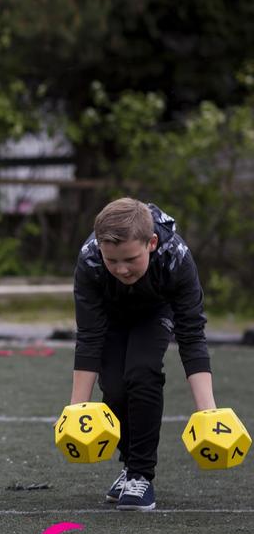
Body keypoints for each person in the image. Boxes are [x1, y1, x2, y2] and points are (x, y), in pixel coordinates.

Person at [70, 198, 217, 511]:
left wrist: (209, 415)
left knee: (142, 372)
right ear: (99, 247)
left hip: (154, 313)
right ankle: (128, 468)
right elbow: (89, 337)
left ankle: (140, 475)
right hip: (110, 317)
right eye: (113, 261)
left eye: (131, 259)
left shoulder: (176, 257)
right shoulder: (90, 259)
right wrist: (77, 409)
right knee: (114, 387)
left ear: (151, 243)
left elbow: (191, 335)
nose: (121, 269)